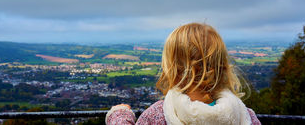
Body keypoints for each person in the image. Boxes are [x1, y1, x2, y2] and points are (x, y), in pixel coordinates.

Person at [106, 23, 261, 125]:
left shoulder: (159, 115)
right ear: (221, 67)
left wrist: (120, 114)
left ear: (174, 69)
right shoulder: (244, 116)